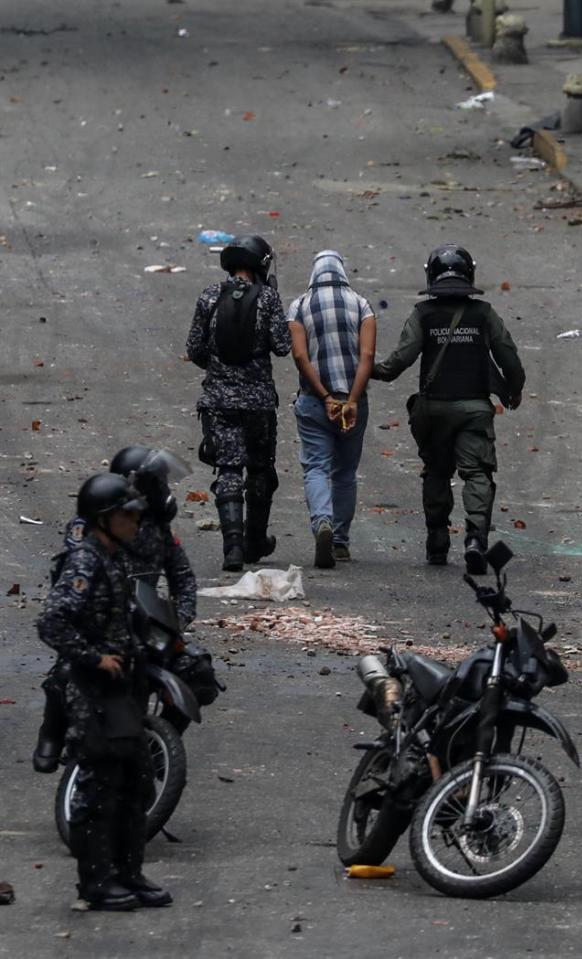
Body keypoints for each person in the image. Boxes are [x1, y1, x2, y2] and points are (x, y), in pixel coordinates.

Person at [36, 473, 171, 910]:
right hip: (92, 693)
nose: (134, 521)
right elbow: (52, 622)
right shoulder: (85, 562)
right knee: (98, 788)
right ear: (103, 519)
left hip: (119, 692)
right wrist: (95, 658)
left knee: (135, 782)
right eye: (126, 514)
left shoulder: (114, 556)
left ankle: (129, 873)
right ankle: (95, 883)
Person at [33, 445, 202, 774]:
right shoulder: (91, 530)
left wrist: (177, 624)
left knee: (198, 673)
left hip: (144, 623)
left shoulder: (158, 530)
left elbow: (183, 579)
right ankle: (52, 733)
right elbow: (66, 595)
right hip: (96, 624)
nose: (164, 490)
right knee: (65, 674)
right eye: (158, 482)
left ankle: (157, 744)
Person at [371, 243, 525, 573]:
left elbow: (401, 359)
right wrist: (514, 391)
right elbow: (509, 358)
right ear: (470, 274)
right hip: (474, 410)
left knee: (437, 472)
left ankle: (437, 544)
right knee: (477, 474)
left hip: (434, 410)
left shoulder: (423, 314)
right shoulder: (484, 314)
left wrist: (370, 371)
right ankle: (475, 540)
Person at [186, 235, 290, 572]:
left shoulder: (209, 295)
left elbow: (195, 348)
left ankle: (232, 546)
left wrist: (219, 370)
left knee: (228, 470)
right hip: (259, 402)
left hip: (219, 400)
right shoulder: (268, 298)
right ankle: (254, 542)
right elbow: (283, 345)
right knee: (260, 470)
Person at [288, 250, 377, 568]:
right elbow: (367, 357)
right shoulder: (361, 304)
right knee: (345, 473)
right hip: (353, 401)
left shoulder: (299, 305)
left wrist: (325, 396)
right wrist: (351, 400)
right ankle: (339, 541)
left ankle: (321, 523)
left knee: (316, 468)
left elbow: (300, 357)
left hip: (315, 402)